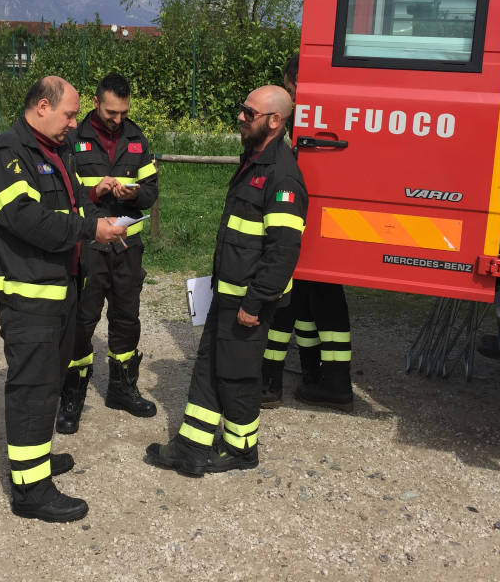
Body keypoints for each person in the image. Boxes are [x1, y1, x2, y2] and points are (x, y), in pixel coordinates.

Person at [0, 75, 126, 523]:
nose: (74, 123)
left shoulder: (51, 151)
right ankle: (30, 492)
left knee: (48, 384)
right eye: (68, 114)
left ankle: (34, 464)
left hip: (58, 290)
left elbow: (65, 201)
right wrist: (90, 229)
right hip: (29, 296)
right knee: (33, 388)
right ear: (42, 107)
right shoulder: (8, 154)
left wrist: (94, 196)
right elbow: (29, 220)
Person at [145, 85, 306, 476]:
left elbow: (283, 249)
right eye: (242, 110)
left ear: (274, 121)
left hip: (248, 300)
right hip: (229, 294)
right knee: (211, 365)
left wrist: (255, 303)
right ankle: (192, 446)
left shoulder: (282, 174)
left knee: (236, 373)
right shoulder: (255, 160)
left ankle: (241, 449)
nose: (240, 117)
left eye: (249, 113)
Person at [56, 72, 159, 434]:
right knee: (82, 323)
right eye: (112, 112)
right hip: (88, 246)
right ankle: (72, 397)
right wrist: (96, 193)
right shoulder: (72, 139)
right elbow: (62, 196)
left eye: (123, 112)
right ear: (96, 103)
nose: (118, 120)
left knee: (127, 318)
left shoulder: (136, 138)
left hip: (128, 246)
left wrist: (135, 195)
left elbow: (151, 190)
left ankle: (122, 388)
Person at [261, 54, 354, 411]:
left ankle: (271, 380)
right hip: (325, 217)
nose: (291, 96)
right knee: (320, 296)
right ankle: (324, 376)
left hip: (299, 218)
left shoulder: (301, 122)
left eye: (290, 88)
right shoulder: (337, 114)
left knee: (286, 289)